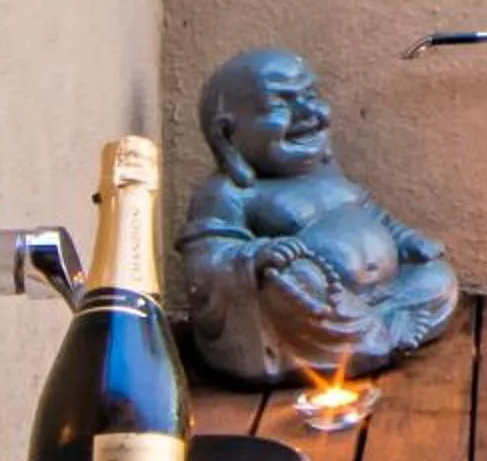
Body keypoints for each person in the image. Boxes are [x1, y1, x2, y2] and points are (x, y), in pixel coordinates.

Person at [176, 48, 459, 385]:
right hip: (316, 305)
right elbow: (206, 264)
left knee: (437, 277)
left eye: (310, 96)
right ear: (226, 133)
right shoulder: (230, 192)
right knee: (294, 280)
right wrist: (257, 256)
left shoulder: (326, 173)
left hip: (379, 293)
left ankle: (378, 325)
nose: (309, 113)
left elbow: (373, 217)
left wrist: (407, 240)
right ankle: (367, 333)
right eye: (282, 104)